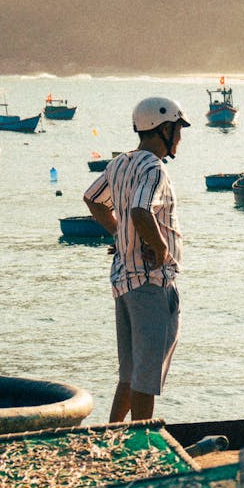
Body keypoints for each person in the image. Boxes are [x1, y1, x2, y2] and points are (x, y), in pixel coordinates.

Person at [83, 96, 189, 422]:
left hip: (124, 280)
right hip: (151, 282)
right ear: (165, 129)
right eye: (178, 130)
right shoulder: (155, 169)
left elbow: (93, 199)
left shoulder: (119, 163)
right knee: (146, 376)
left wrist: (120, 234)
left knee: (129, 373)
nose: (181, 138)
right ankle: (140, 444)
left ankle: (111, 437)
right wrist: (160, 249)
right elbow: (141, 210)